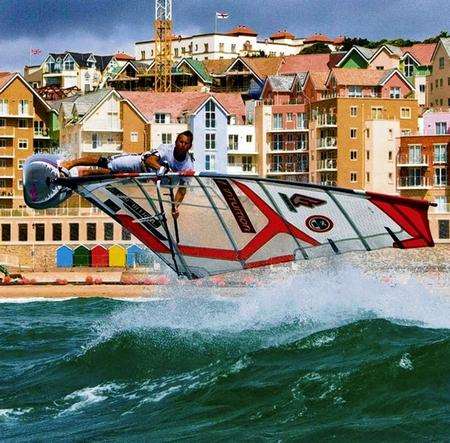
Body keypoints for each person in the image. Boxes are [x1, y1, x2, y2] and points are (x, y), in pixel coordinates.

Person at [60, 130, 195, 219]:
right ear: (176, 141)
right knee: (106, 163)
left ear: (189, 146)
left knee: (111, 176)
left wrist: (175, 207)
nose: (182, 145)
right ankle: (70, 163)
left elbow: (182, 190)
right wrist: (162, 169)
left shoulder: (188, 165)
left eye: (185, 143)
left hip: (143, 177)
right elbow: (149, 160)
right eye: (180, 141)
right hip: (137, 163)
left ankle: (85, 173)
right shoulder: (167, 149)